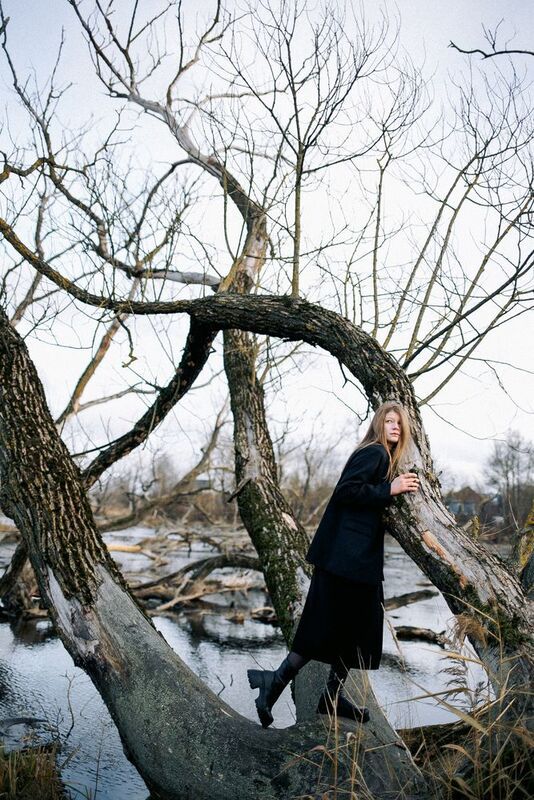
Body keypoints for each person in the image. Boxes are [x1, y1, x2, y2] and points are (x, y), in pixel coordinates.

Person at [247, 401, 420, 728]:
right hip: (347, 561)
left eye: (400, 423)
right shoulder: (375, 453)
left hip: (354, 561)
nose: (395, 427)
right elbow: (346, 492)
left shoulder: (380, 456)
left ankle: (330, 696)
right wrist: (390, 488)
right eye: (389, 421)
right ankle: (277, 683)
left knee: (354, 629)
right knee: (326, 627)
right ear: (379, 425)